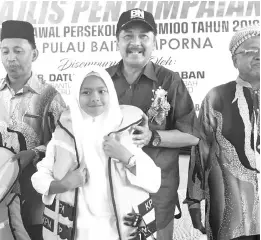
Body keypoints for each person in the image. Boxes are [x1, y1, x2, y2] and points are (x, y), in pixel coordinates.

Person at [0, 20, 66, 240]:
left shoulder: (49, 97)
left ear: (34, 54)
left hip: (33, 190)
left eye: (18, 51)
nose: (11, 58)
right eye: (5, 51)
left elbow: (64, 144)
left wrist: (36, 153)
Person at [31, 66, 161, 240]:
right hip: (80, 229)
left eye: (101, 91)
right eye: (86, 92)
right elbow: (41, 177)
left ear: (111, 93)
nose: (95, 98)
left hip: (121, 229)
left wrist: (126, 157)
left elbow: (154, 181)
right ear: (76, 95)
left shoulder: (126, 130)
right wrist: (63, 185)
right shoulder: (64, 133)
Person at [106, 8, 200, 240]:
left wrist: (153, 137)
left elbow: (192, 135)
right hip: (111, 188)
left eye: (143, 37)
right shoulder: (102, 80)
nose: (135, 43)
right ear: (117, 41)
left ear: (154, 42)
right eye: (128, 36)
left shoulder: (170, 80)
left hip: (157, 189)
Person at [185, 24, 260, 240]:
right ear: (234, 60)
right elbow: (201, 151)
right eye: (250, 51)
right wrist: (193, 201)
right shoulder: (216, 98)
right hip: (232, 213)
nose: (258, 57)